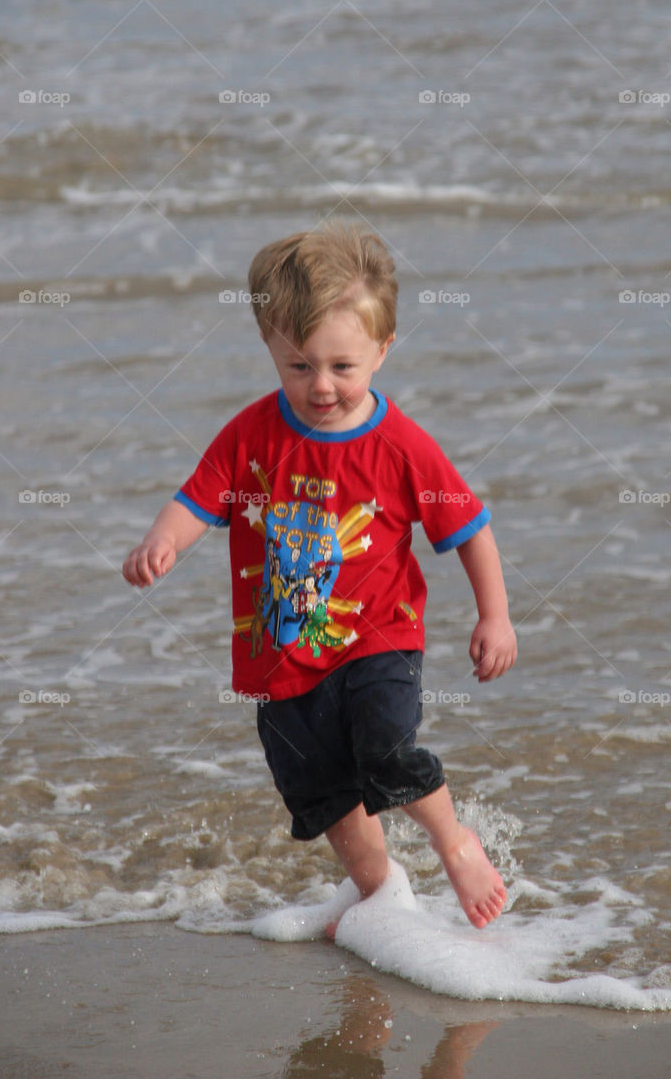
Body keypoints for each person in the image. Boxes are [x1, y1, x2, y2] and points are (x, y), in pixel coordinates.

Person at [122, 224, 517, 929]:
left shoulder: (401, 446)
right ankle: (379, 895)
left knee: (385, 752)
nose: (321, 386)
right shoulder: (251, 435)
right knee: (319, 788)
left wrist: (495, 615)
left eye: (342, 366)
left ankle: (453, 842)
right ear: (272, 349)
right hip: (279, 655)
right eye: (299, 367)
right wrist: (163, 542)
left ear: (382, 350)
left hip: (378, 641)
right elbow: (198, 499)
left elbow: (469, 529)